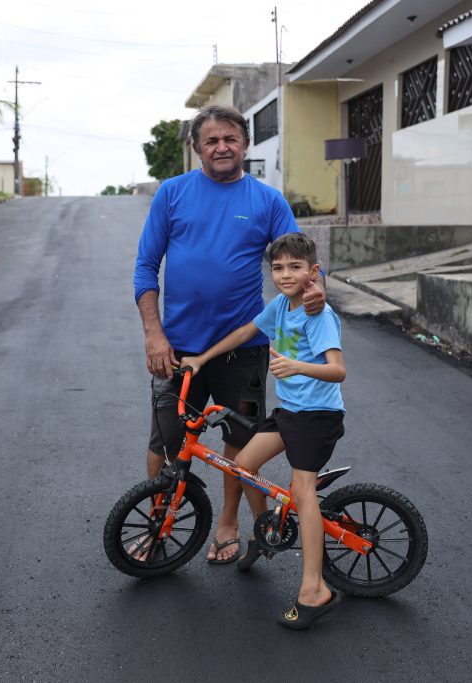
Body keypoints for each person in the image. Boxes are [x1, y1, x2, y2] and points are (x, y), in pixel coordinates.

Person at [133, 103, 325, 564]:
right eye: (211, 140)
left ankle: (227, 523)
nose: (221, 147)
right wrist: (154, 336)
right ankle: (159, 525)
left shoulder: (267, 200)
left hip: (244, 350)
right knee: (167, 440)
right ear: (197, 147)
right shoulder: (173, 193)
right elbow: (145, 267)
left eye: (230, 139)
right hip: (178, 351)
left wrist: (314, 291)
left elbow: (301, 263)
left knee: (239, 445)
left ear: (244, 144)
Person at [181, 232, 346, 630]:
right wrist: (202, 359)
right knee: (240, 464)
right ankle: (265, 530)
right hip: (290, 412)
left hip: (317, 415)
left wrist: (296, 366)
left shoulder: (316, 315)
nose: (286, 275)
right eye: (278, 268)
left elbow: (337, 369)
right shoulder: (280, 307)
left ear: (313, 271)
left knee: (302, 491)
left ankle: (314, 588)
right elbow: (245, 332)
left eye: (295, 267)